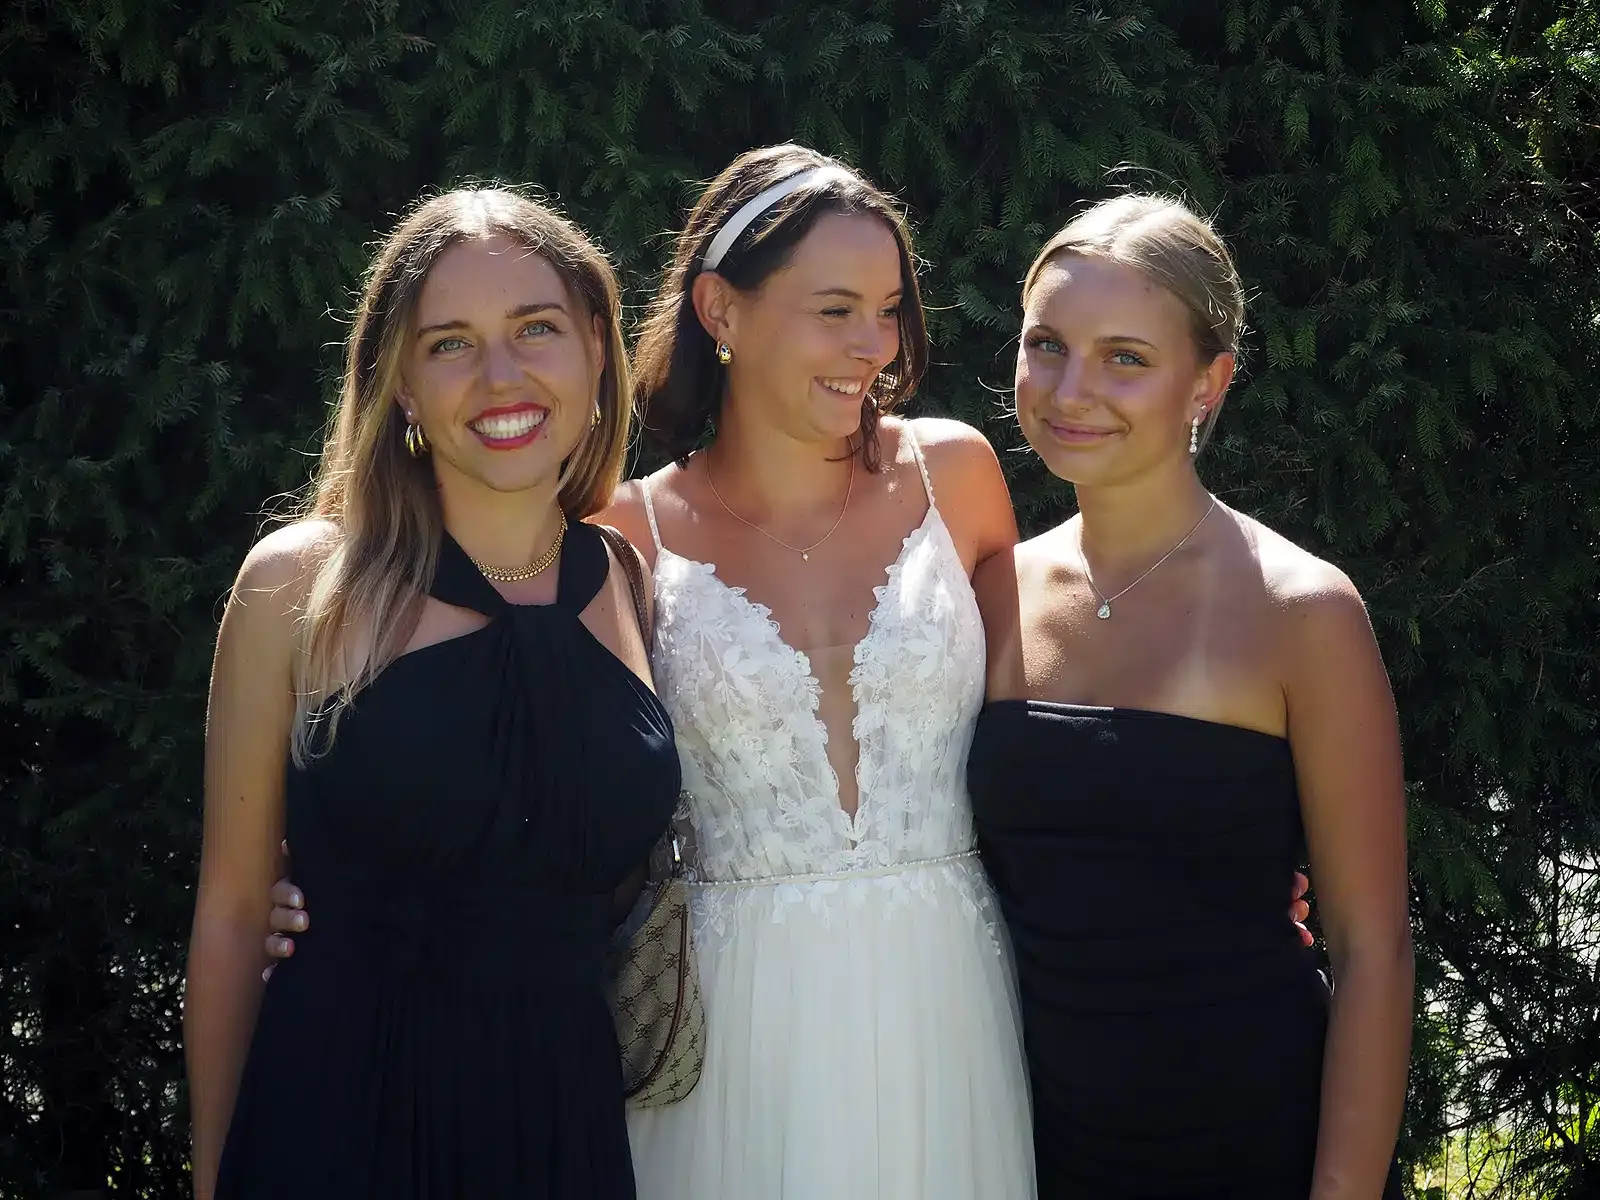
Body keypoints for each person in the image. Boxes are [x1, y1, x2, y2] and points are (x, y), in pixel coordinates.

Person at [260, 151, 1318, 1198]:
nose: (874, 346)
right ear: (720, 309)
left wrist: (1191, 853)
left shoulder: (958, 476)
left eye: (889, 311)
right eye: (836, 310)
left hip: (952, 1002)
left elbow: (1044, 713)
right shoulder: (622, 536)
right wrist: (326, 886)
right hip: (727, 1033)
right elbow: (539, 767)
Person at [183, 187, 680, 1199]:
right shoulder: (301, 585)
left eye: (536, 329)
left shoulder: (628, 582)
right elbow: (232, 915)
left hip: (560, 1126)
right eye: (450, 344)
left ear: (596, 347)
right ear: (400, 384)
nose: (501, 376)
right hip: (341, 1118)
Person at [967, 194, 1413, 1198]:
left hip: (1258, 1147)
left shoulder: (1301, 610)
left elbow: (1373, 949)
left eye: (1125, 357)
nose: (1072, 390)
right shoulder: (987, 595)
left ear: (1207, 383)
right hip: (1040, 1155)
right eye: (1047, 345)